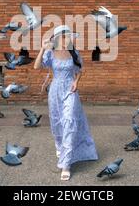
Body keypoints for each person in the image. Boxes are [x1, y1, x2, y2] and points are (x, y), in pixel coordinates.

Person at [34, 25, 98, 181]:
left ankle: (66, 164)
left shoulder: (73, 52)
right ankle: (59, 145)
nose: (67, 39)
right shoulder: (51, 52)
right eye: (64, 36)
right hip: (55, 90)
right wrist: (42, 49)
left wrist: (76, 82)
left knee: (69, 121)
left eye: (68, 36)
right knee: (57, 122)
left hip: (70, 90)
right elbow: (36, 66)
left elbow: (80, 70)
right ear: (56, 38)